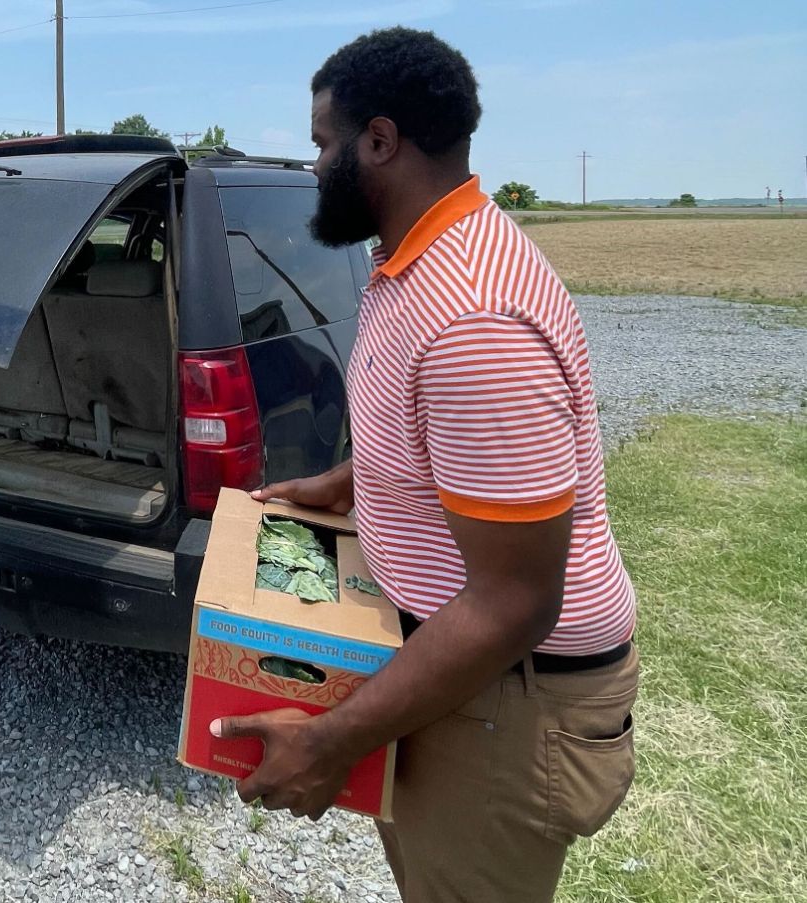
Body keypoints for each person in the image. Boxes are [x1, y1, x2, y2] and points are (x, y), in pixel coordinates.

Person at [210, 28, 639, 903]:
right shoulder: (411, 261)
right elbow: (428, 438)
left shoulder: (474, 320)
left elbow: (517, 600)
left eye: (323, 142)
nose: (316, 162)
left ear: (380, 140)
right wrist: (348, 482)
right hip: (457, 669)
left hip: (506, 697)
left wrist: (333, 741)